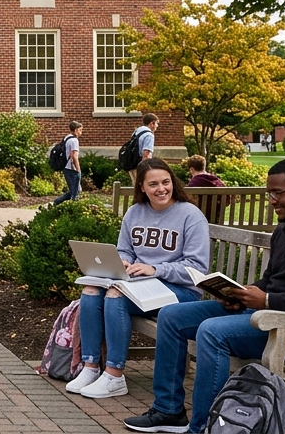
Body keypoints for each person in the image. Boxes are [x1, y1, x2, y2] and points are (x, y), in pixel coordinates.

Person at [124, 158, 285, 434]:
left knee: (212, 332)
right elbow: (273, 279)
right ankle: (168, 410)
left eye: (277, 193)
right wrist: (240, 293)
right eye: (269, 193)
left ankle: (203, 428)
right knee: (171, 316)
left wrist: (268, 300)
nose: (272, 200)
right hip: (267, 316)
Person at [68, 158, 209, 399]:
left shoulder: (190, 215)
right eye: (153, 184)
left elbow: (197, 268)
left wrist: (155, 269)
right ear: (142, 187)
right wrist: (123, 262)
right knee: (91, 288)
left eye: (166, 182)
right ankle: (90, 367)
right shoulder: (135, 212)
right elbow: (125, 250)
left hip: (180, 291)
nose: (161, 189)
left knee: (116, 294)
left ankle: (114, 376)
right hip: (142, 285)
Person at [51, 121, 83, 206]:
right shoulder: (74, 140)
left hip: (66, 168)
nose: (81, 132)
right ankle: (72, 208)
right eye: (80, 130)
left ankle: (57, 202)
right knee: (75, 193)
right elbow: (74, 156)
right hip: (72, 169)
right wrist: (78, 170)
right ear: (76, 130)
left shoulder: (67, 137)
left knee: (73, 191)